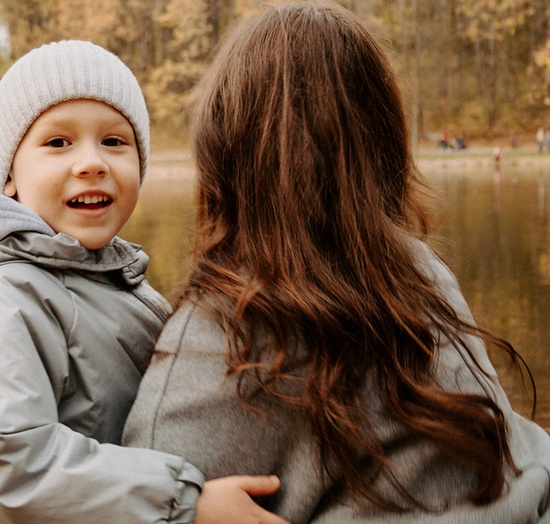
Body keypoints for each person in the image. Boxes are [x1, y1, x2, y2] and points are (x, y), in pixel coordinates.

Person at [123, 3, 550, 523]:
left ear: (222, 145)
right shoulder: (417, 267)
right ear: (384, 137)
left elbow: (144, 489)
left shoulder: (228, 321)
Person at [0, 40, 285, 524]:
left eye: (114, 141)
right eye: (57, 143)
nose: (91, 162)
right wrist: (186, 504)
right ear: (9, 178)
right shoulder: (2, 296)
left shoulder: (119, 283)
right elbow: (11, 465)